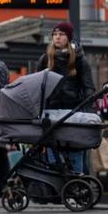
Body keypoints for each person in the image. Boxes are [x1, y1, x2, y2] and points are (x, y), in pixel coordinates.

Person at [36, 21, 95, 173]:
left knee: (75, 152)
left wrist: (86, 112)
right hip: (51, 113)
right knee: (53, 152)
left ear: (68, 37)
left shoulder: (79, 60)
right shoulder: (45, 59)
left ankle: (78, 186)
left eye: (61, 34)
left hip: (73, 112)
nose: (57, 37)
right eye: (55, 34)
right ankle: (57, 189)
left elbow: (88, 86)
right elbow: (37, 84)